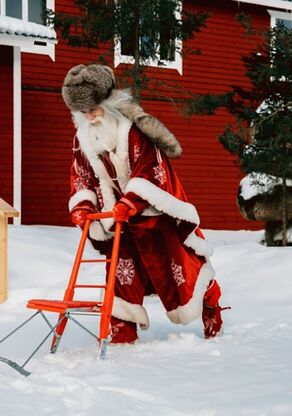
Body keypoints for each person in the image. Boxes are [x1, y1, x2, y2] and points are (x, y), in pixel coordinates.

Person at [62, 64, 226, 344]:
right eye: (83, 112)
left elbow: (151, 169)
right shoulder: (83, 138)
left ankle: (209, 300)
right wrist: (83, 206)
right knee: (121, 270)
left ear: (108, 103)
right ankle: (122, 331)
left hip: (153, 213)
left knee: (178, 268)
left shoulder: (134, 131)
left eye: (93, 108)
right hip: (117, 219)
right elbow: (82, 175)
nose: (89, 116)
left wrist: (131, 201)